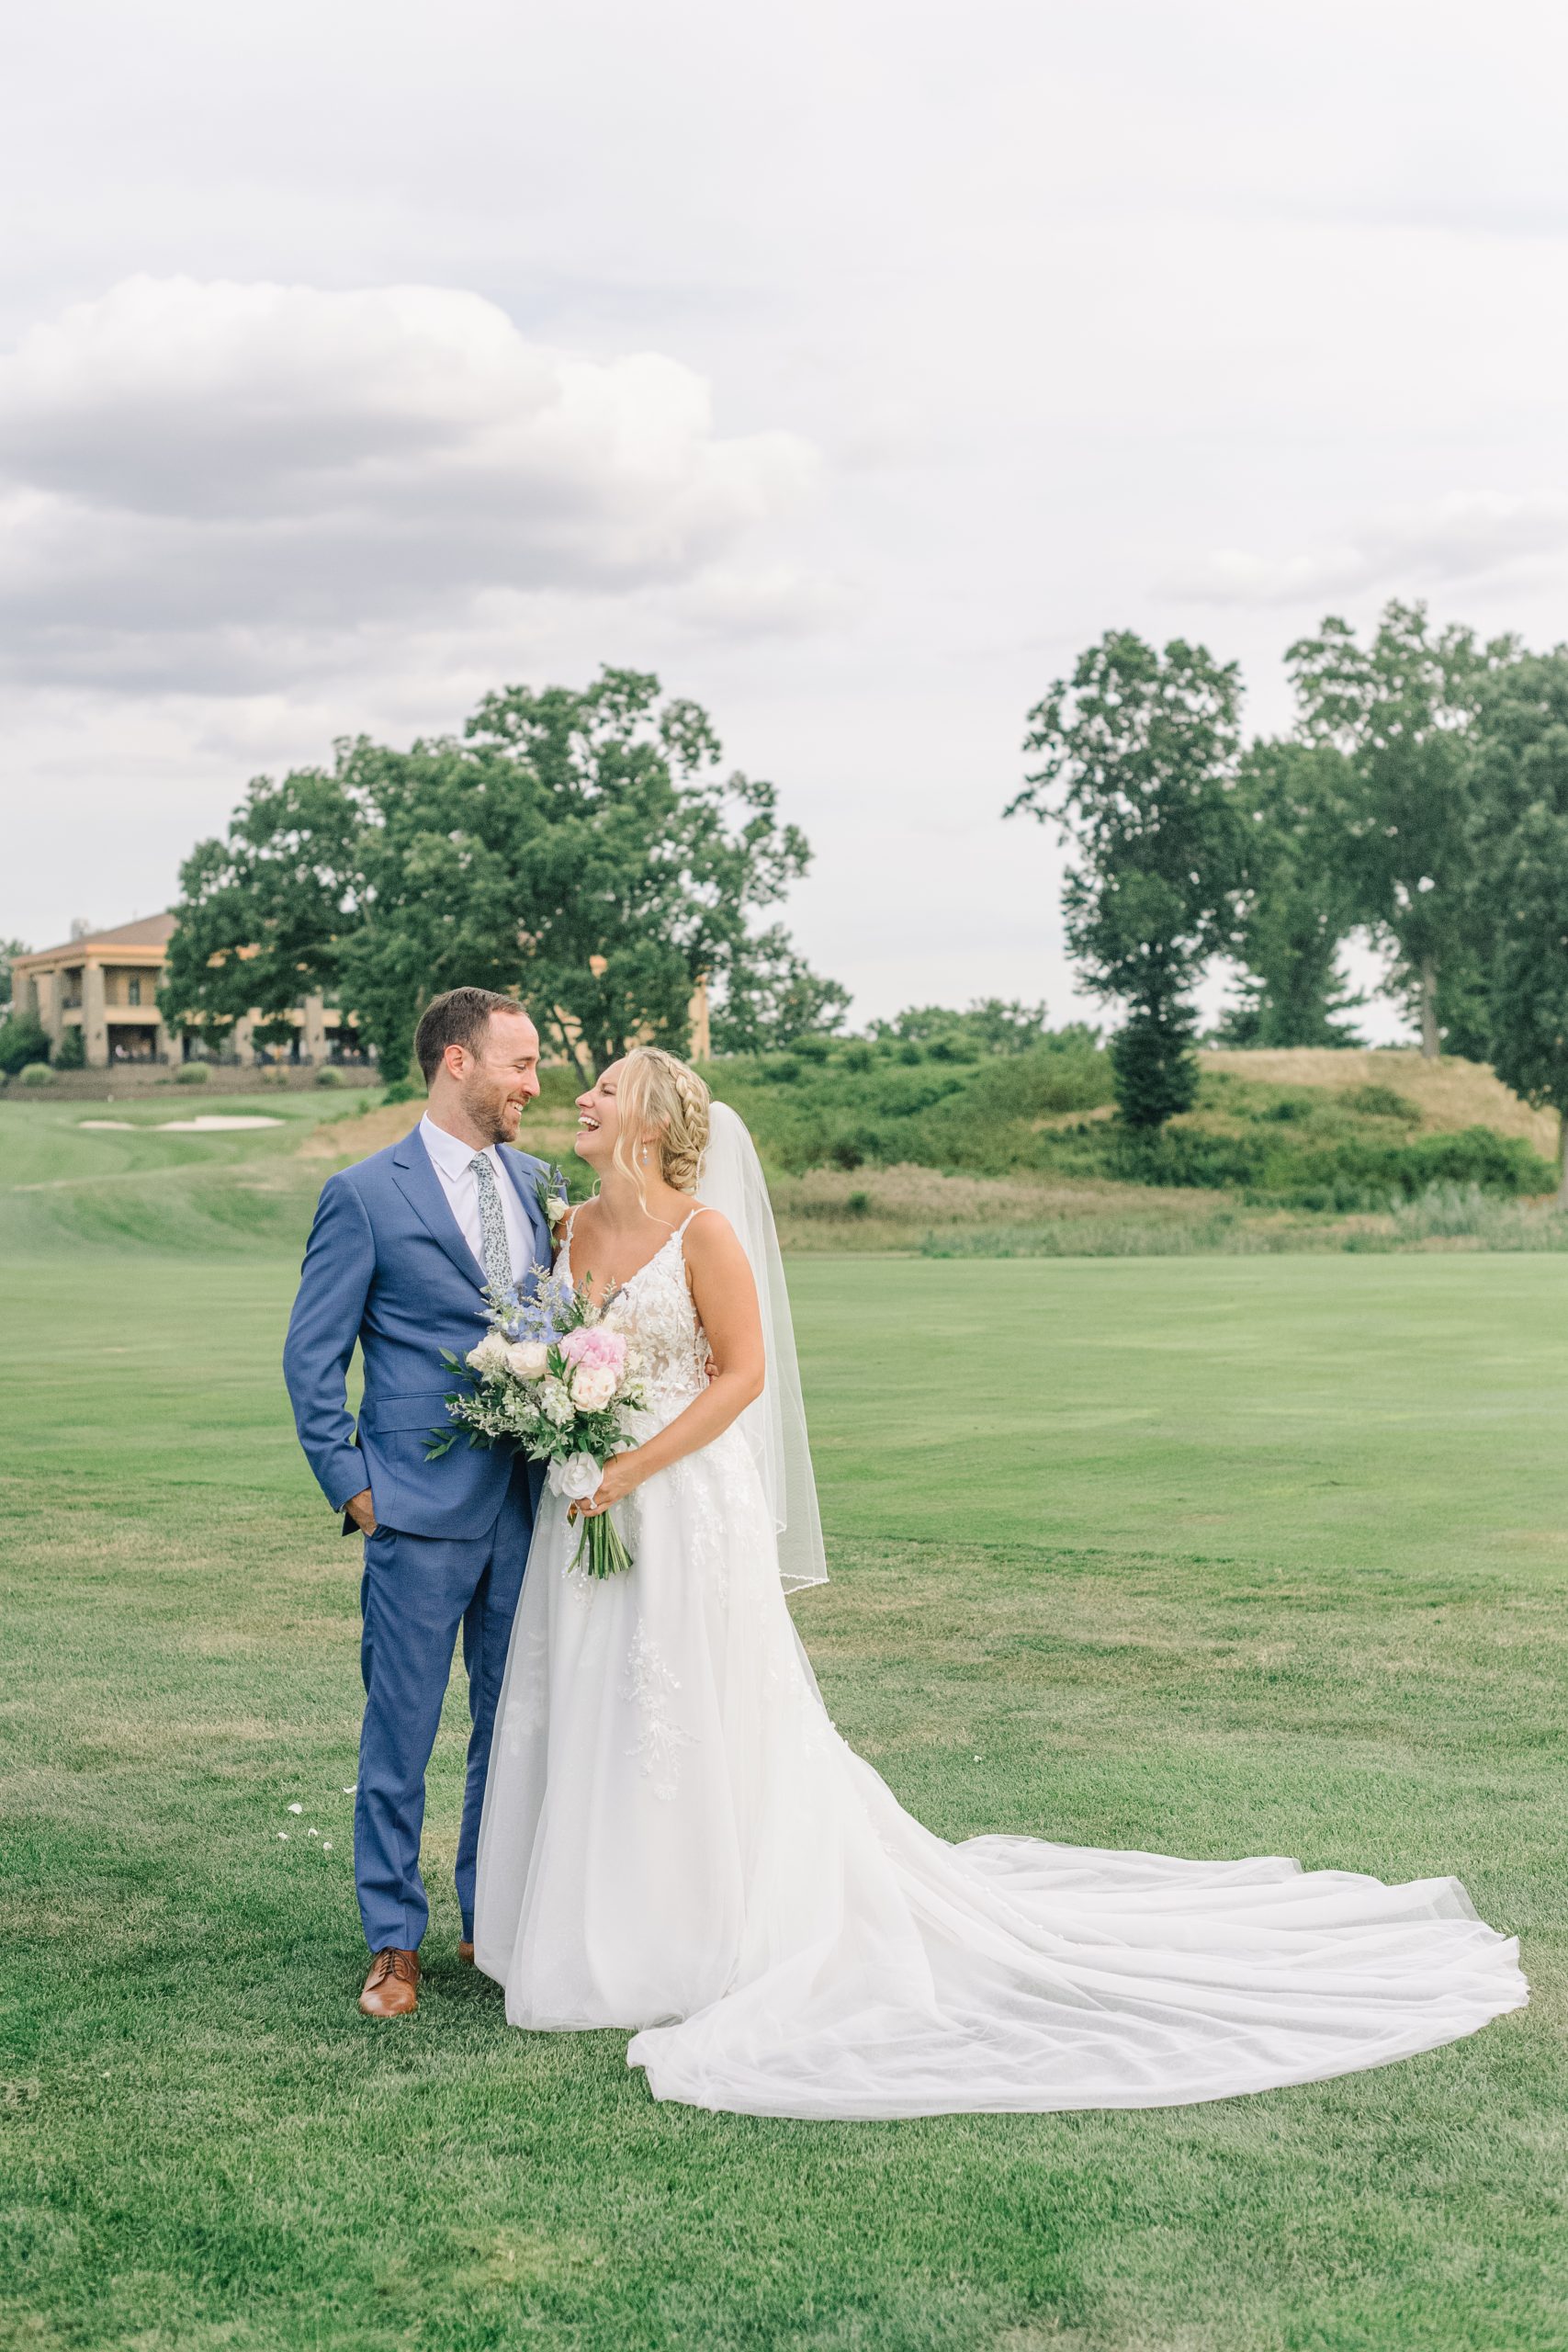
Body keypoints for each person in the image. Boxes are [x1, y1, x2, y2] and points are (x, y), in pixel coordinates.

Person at [473, 1045, 1527, 2119]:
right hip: (586, 1502)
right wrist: (567, 1433)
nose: (584, 1098)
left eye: (605, 1087)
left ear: (648, 1120)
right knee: (601, 1698)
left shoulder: (708, 1235)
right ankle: (587, 1926)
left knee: (689, 1707)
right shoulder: (569, 1230)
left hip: (682, 1502)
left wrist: (632, 1466)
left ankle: (697, 1933)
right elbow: (557, 1349)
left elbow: (742, 1375)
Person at [283, 988, 554, 2018]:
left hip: (523, 1505)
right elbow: (313, 1358)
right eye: (518, 1065)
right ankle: (393, 1939)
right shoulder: (363, 1193)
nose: (533, 1084)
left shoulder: (538, 1182)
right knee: (399, 1729)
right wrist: (356, 1489)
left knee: (509, 1723)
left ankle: (488, 1919)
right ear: (455, 1061)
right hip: (410, 1507)